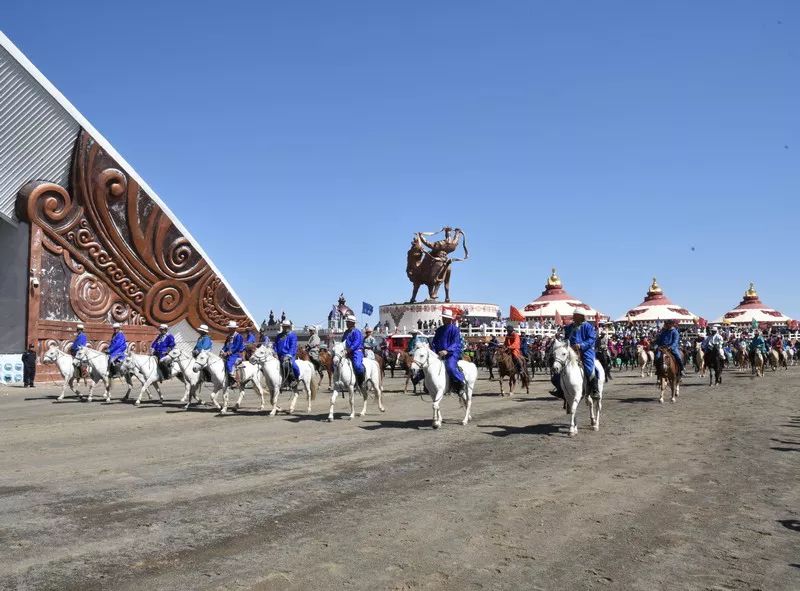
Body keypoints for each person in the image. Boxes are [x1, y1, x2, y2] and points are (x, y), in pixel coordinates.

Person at [431, 309, 465, 393]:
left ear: (450, 319)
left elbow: (455, 343)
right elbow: (434, 342)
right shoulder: (439, 330)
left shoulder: (455, 329)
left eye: (445, 318)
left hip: (452, 353)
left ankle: (461, 383)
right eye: (443, 317)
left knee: (450, 366)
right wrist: (433, 351)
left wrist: (447, 351)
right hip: (439, 353)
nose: (444, 319)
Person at [274, 319, 300, 385]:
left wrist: (288, 355)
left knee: (287, 365)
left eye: (286, 326)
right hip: (278, 356)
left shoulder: (292, 335)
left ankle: (293, 379)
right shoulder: (279, 336)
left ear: (289, 327)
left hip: (289, 355)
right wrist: (275, 353)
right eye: (284, 326)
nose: (285, 328)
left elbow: (293, 346)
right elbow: (275, 345)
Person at [342, 314, 365, 385]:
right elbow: (343, 341)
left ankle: (361, 381)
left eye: (348, 322)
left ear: (352, 323)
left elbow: (357, 342)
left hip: (356, 351)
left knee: (357, 366)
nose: (346, 323)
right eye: (346, 322)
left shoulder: (357, 332)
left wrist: (350, 349)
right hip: (346, 352)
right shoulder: (346, 332)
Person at [220, 321, 245, 385]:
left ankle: (234, 379)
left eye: (231, 328)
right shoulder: (228, 336)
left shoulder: (238, 336)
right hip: (229, 354)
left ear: (234, 328)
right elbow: (226, 345)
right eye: (229, 328)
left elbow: (237, 347)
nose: (229, 329)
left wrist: (228, 353)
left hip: (236, 354)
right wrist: (222, 351)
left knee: (229, 364)